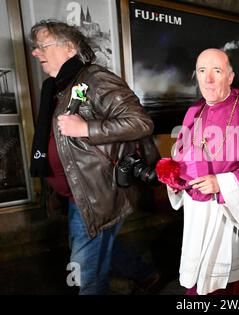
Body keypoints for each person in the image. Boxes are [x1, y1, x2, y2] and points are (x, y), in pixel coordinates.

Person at [29, 20, 158, 294]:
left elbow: (140, 122)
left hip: (96, 195)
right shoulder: (56, 87)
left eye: (42, 46)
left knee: (84, 277)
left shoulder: (95, 79)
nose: (35, 52)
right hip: (78, 194)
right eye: (35, 47)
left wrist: (87, 128)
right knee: (102, 244)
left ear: (69, 48)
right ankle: (146, 275)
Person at [166, 48, 239, 295]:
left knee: (229, 287)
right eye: (202, 71)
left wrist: (221, 183)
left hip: (227, 215)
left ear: (230, 76)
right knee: (198, 280)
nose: (208, 79)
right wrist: (175, 178)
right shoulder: (194, 112)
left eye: (217, 71)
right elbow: (181, 155)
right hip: (196, 214)